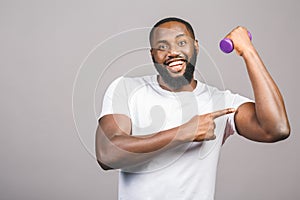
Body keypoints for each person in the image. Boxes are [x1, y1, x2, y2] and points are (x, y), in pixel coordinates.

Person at [95, 17, 290, 200]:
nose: (172, 52)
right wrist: (182, 133)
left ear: (195, 46)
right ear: (152, 54)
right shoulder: (127, 89)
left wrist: (248, 51)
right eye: (162, 46)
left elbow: (276, 129)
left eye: (181, 43)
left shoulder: (221, 102)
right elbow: (107, 155)